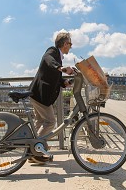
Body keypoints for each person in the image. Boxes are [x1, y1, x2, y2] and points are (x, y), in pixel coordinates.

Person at [28, 32, 74, 163]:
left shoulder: (58, 59)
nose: (71, 47)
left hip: (38, 94)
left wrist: (67, 82)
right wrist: (62, 68)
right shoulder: (52, 51)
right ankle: (33, 151)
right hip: (40, 95)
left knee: (40, 123)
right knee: (50, 122)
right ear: (65, 44)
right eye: (70, 44)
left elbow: (58, 79)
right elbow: (48, 60)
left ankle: (33, 153)